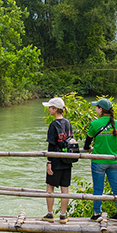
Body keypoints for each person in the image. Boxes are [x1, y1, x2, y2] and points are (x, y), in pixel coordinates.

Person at [83, 99, 117, 222]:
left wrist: (89, 148)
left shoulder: (95, 124)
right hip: (113, 161)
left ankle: (97, 213)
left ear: (101, 109)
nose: (95, 110)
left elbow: (87, 144)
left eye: (96, 107)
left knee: (98, 188)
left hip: (98, 160)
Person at [43, 96, 75, 224]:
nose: (49, 110)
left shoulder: (53, 125)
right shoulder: (67, 123)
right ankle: (63, 215)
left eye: (50, 107)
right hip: (67, 159)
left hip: (56, 160)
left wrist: (49, 162)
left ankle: (50, 214)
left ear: (55, 109)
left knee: (50, 186)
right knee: (64, 188)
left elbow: (51, 145)